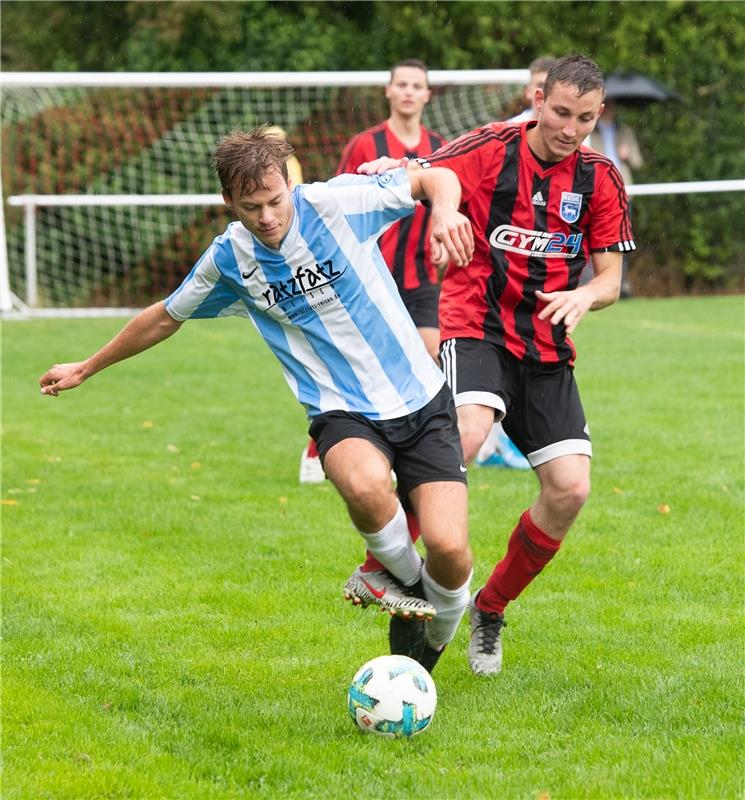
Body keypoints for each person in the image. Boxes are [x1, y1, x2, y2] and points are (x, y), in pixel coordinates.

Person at [38, 126, 476, 675]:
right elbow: (165, 316)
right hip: (341, 409)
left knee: (451, 549)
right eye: (252, 207)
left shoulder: (335, 202)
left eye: (275, 201)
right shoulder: (230, 258)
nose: (268, 217)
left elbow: (436, 176)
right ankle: (406, 583)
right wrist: (87, 366)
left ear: (289, 184)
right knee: (363, 483)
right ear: (229, 202)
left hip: (421, 397)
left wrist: (443, 213)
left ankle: (432, 633)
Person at [354, 54, 635, 677]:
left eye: (584, 118)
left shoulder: (600, 178)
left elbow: (612, 279)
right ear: (538, 100)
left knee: (570, 489)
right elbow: (425, 172)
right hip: (476, 325)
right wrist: (392, 169)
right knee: (469, 431)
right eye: (560, 112)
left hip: (546, 346)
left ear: (599, 114)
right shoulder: (491, 148)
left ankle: (491, 606)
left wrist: (584, 295)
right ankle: (387, 568)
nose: (569, 128)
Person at [299, 58, 447, 484]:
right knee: (357, 364)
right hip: (367, 276)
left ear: (426, 95)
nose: (407, 91)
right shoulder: (365, 144)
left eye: (416, 85)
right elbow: (335, 204)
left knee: (429, 352)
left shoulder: (438, 145)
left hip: (421, 274)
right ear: (388, 91)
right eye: (400, 83)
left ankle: (412, 449)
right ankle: (320, 444)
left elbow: (449, 195)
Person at [473, 58, 559, 473]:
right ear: (531, 93)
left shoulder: (580, 153)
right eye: (540, 87)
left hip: (541, 302)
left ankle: (507, 441)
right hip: (486, 300)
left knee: (570, 482)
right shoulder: (501, 141)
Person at [588, 99, 643, 296]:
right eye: (606, 104)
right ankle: (594, 284)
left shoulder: (624, 131)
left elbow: (638, 162)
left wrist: (627, 156)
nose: (609, 109)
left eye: (612, 105)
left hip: (623, 193)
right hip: (597, 192)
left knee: (620, 242)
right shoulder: (589, 129)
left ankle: (621, 284)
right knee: (594, 242)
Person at [508, 56, 557, 123]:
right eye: (541, 85)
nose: (545, 90)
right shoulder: (511, 128)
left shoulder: (568, 128)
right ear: (528, 92)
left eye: (550, 85)